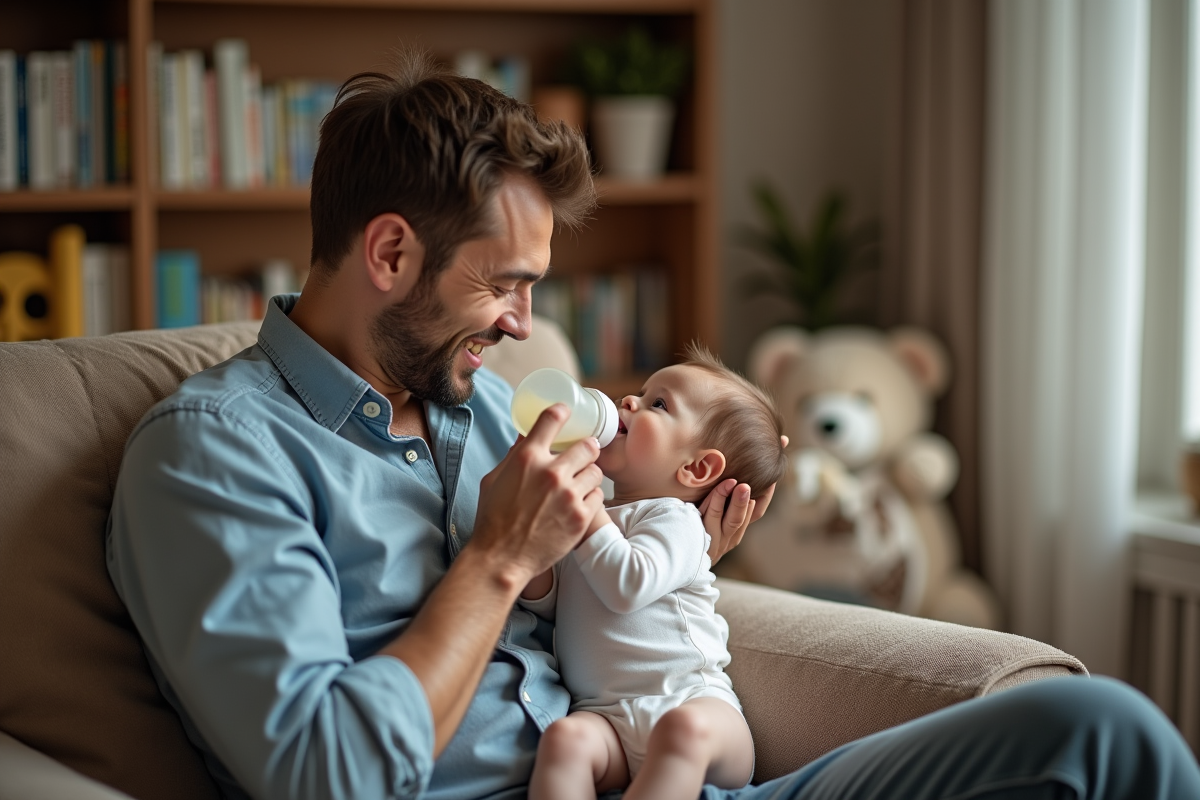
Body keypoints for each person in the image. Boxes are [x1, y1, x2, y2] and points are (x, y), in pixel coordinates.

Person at [105, 51, 1200, 800]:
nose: (527, 325)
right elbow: (323, 769)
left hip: (671, 771)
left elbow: (616, 581)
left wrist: (677, 548)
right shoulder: (214, 452)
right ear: (390, 256)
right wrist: (495, 558)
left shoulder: (479, 402)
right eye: (508, 285)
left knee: (1105, 731)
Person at [523, 344, 786, 800]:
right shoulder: (592, 518)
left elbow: (629, 584)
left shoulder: (676, 521)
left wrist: (585, 511)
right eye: (642, 393)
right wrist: (531, 547)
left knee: (680, 734)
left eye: (658, 404)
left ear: (697, 467)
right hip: (606, 717)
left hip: (696, 706)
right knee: (563, 741)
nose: (629, 401)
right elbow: (548, 602)